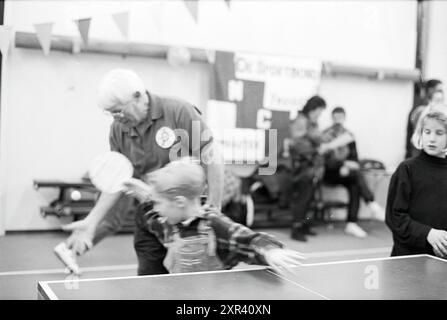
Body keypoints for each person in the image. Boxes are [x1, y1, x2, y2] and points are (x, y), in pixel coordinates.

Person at [56, 69, 224, 275]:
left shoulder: (178, 111)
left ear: (138, 96)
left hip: (187, 216)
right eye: (110, 113)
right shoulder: (118, 130)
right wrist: (92, 221)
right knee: (149, 279)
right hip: (151, 215)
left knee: (191, 281)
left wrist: (214, 206)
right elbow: (119, 181)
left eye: (118, 111)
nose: (116, 118)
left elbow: (211, 154)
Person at [123, 157, 305, 275]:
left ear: (179, 202)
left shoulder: (214, 225)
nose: (156, 209)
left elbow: (250, 240)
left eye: (158, 203)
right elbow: (154, 211)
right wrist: (146, 194)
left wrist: (271, 251)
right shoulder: (167, 221)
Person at [386, 110, 447, 258]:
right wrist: (427, 234)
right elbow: (395, 217)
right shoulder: (407, 169)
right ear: (420, 134)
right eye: (427, 132)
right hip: (408, 258)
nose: (432, 139)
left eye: (439, 133)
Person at [321, 107, 385, 238]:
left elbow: (355, 161)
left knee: (354, 184)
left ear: (344, 118)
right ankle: (371, 204)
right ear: (332, 118)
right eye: (335, 117)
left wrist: (347, 166)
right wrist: (342, 164)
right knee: (355, 175)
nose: (338, 120)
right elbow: (325, 161)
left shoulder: (349, 136)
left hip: (347, 173)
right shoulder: (325, 135)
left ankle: (351, 223)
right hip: (330, 173)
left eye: (340, 117)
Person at [405, 79, 443, 159]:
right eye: (439, 91)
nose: (442, 94)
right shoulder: (420, 110)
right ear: (431, 91)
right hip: (420, 157)